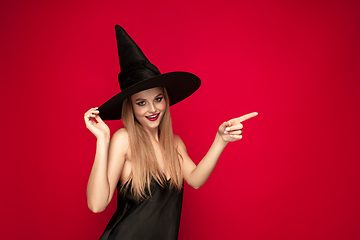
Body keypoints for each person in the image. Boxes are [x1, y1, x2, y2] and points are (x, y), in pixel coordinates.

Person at [84, 25, 258, 240]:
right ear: (130, 108)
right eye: (141, 103)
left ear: (166, 99)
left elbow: (195, 179)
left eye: (158, 99)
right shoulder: (124, 139)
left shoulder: (174, 143)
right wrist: (102, 139)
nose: (152, 109)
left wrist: (220, 140)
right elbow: (96, 205)